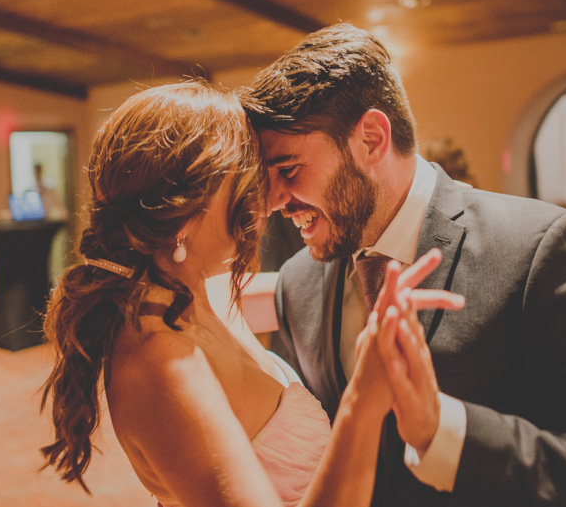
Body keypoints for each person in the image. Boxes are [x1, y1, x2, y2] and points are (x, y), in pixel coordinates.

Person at [244, 23, 566, 506]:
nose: (276, 200)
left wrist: (442, 431)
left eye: (287, 169)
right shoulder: (297, 285)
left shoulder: (544, 249)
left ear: (370, 139)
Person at [39, 80, 463, 507]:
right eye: (249, 181)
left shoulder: (199, 295)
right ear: (185, 210)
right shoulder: (162, 367)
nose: (274, 199)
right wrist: (364, 402)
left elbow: (290, 294)